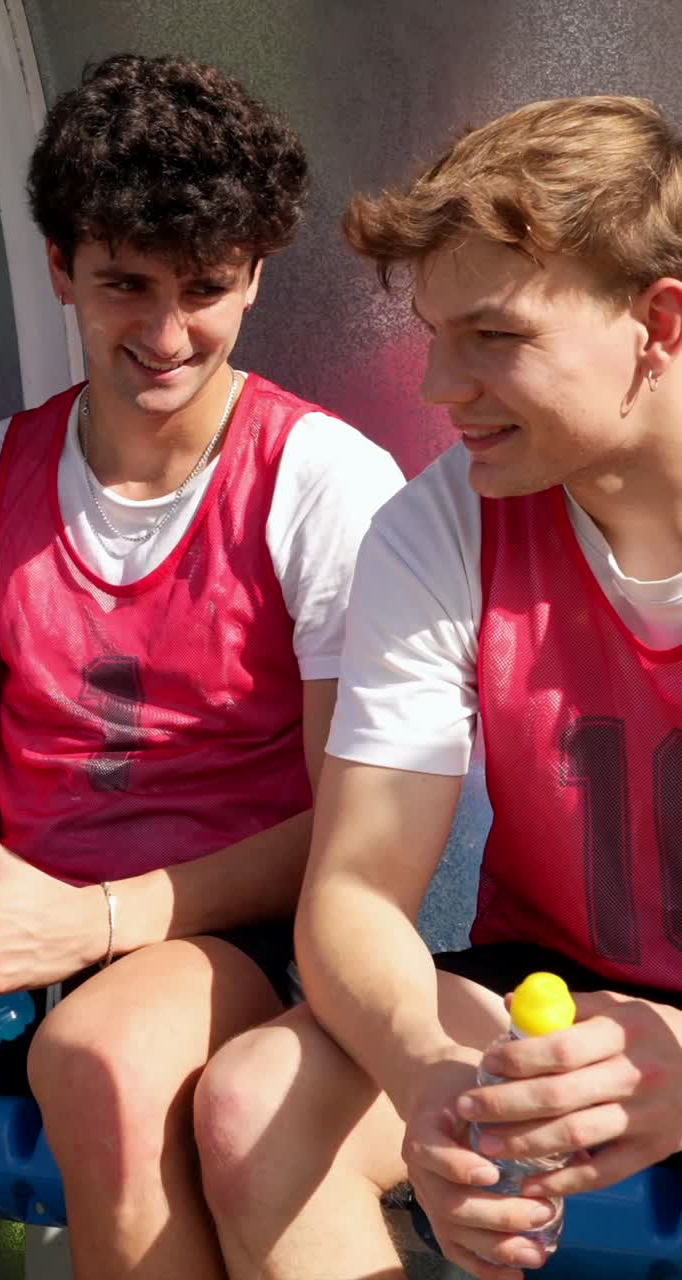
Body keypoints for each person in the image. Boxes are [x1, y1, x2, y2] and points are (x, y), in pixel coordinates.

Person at [195, 95, 682, 1280]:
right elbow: (355, 889)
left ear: (657, 323)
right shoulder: (440, 526)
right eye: (431, 333)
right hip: (541, 997)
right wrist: (428, 1078)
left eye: (494, 336)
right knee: (256, 1103)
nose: (435, 384)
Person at [0, 52, 403, 1280]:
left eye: (207, 287)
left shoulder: (325, 482)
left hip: (246, 933)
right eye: (124, 286)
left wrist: (89, 919)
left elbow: (347, 836)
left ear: (258, 275)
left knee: (103, 1056)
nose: (167, 335)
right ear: (58, 267)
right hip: (22, 937)